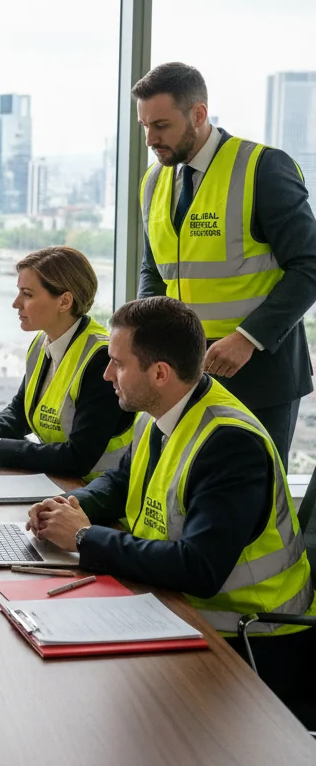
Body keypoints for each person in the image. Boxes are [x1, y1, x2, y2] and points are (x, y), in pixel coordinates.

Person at [28, 296, 315, 710]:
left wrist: (84, 537)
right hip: (176, 608)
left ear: (160, 372)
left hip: (249, 638)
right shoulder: (159, 409)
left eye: (119, 364)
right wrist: (68, 504)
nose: (108, 373)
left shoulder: (230, 443)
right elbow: (120, 482)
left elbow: (199, 569)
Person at [134, 61, 316, 466]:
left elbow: (309, 265)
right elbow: (155, 271)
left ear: (198, 114)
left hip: (257, 372)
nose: (151, 138)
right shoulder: (153, 181)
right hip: (183, 371)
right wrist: (145, 335)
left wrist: (247, 338)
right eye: (145, 125)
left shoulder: (263, 168)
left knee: (253, 504)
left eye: (161, 125)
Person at [0, 246, 134, 479]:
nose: (16, 303)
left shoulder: (102, 359)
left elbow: (77, 457)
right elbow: (21, 412)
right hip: (59, 485)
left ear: (64, 301)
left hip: (98, 497)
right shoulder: (42, 342)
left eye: (27, 294)